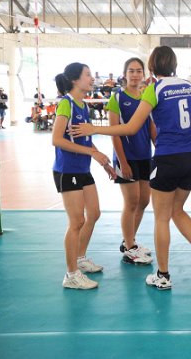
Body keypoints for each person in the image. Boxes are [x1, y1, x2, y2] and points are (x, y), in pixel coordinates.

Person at [72, 46, 191, 290]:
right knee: (177, 209)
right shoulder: (189, 86)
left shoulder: (154, 89)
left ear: (150, 68)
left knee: (162, 217)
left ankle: (163, 275)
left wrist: (95, 129)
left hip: (169, 157)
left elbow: (130, 127)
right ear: (174, 64)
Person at [52, 62, 116, 289]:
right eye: (88, 75)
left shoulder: (83, 106)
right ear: (74, 80)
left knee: (94, 214)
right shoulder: (66, 105)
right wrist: (91, 152)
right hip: (67, 169)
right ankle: (71, 275)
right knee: (77, 221)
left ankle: (80, 258)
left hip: (83, 169)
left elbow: (86, 139)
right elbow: (57, 140)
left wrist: (102, 161)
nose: (92, 79)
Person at [106, 57, 156, 265]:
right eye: (131, 71)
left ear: (143, 74)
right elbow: (114, 132)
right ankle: (130, 247)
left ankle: (129, 241)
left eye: (138, 71)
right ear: (124, 74)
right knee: (132, 202)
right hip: (126, 158)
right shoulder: (116, 98)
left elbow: (152, 127)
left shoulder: (147, 96)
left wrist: (161, 149)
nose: (135, 75)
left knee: (144, 201)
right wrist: (123, 163)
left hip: (146, 156)